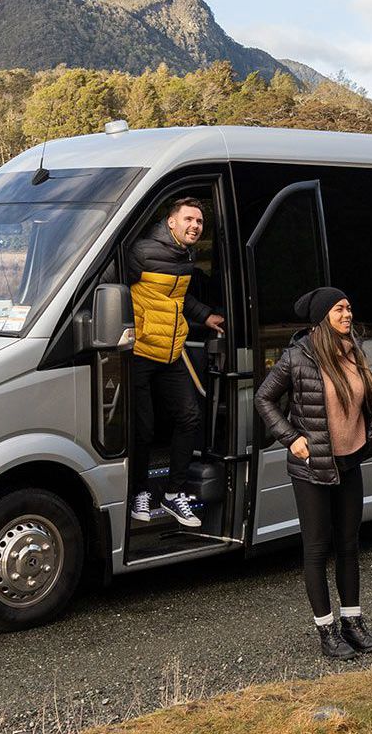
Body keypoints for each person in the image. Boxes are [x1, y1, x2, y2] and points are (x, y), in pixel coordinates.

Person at [255, 287, 372, 660]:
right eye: (340, 309)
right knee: (317, 549)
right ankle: (326, 630)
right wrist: (290, 437)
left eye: (349, 307)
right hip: (311, 466)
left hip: (348, 461)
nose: (348, 314)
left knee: (349, 545)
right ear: (322, 316)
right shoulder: (298, 357)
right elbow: (263, 397)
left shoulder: (354, 352)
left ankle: (353, 622)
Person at [126, 197, 225, 528]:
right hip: (140, 351)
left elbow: (178, 299)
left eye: (199, 221)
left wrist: (206, 316)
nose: (195, 225)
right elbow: (113, 287)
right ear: (171, 222)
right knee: (143, 428)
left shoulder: (186, 257)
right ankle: (138, 491)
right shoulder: (141, 252)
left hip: (171, 351)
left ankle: (173, 494)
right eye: (189, 219)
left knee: (189, 417)